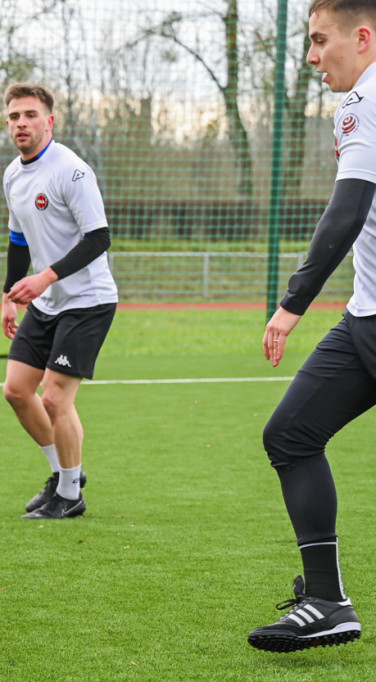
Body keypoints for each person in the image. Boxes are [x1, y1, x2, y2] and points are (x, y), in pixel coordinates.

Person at [247, 0, 376, 652]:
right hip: (365, 320)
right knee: (291, 434)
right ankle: (328, 601)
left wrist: (291, 304)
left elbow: (346, 211)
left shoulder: (366, 99)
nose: (311, 55)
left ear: (363, 36)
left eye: (320, 40)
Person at [0, 83, 118, 520]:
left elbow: (99, 238)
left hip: (88, 301)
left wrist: (44, 277)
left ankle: (71, 495)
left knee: (53, 398)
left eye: (30, 115)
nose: (21, 123)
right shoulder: (13, 174)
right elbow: (16, 238)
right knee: (16, 391)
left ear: (49, 121)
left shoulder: (72, 171)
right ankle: (63, 476)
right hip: (45, 303)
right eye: (14, 116)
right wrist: (10, 295)